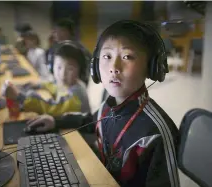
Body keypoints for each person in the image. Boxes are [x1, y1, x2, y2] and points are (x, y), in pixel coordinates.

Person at [24, 20, 180, 187]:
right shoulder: (109, 105)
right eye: (107, 56)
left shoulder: (157, 134)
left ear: (151, 66)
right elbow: (90, 121)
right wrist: (55, 121)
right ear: (95, 67)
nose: (113, 67)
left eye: (127, 56)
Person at [5, 41, 91, 116]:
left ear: (81, 71)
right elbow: (54, 87)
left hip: (78, 133)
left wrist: (20, 97)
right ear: (51, 67)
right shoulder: (66, 85)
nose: (63, 73)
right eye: (59, 67)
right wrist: (37, 85)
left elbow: (51, 108)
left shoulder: (76, 95)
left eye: (70, 69)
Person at [47, 18, 92, 86]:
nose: (55, 34)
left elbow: (86, 73)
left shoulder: (79, 49)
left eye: (57, 31)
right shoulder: (56, 47)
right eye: (54, 31)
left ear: (66, 31)